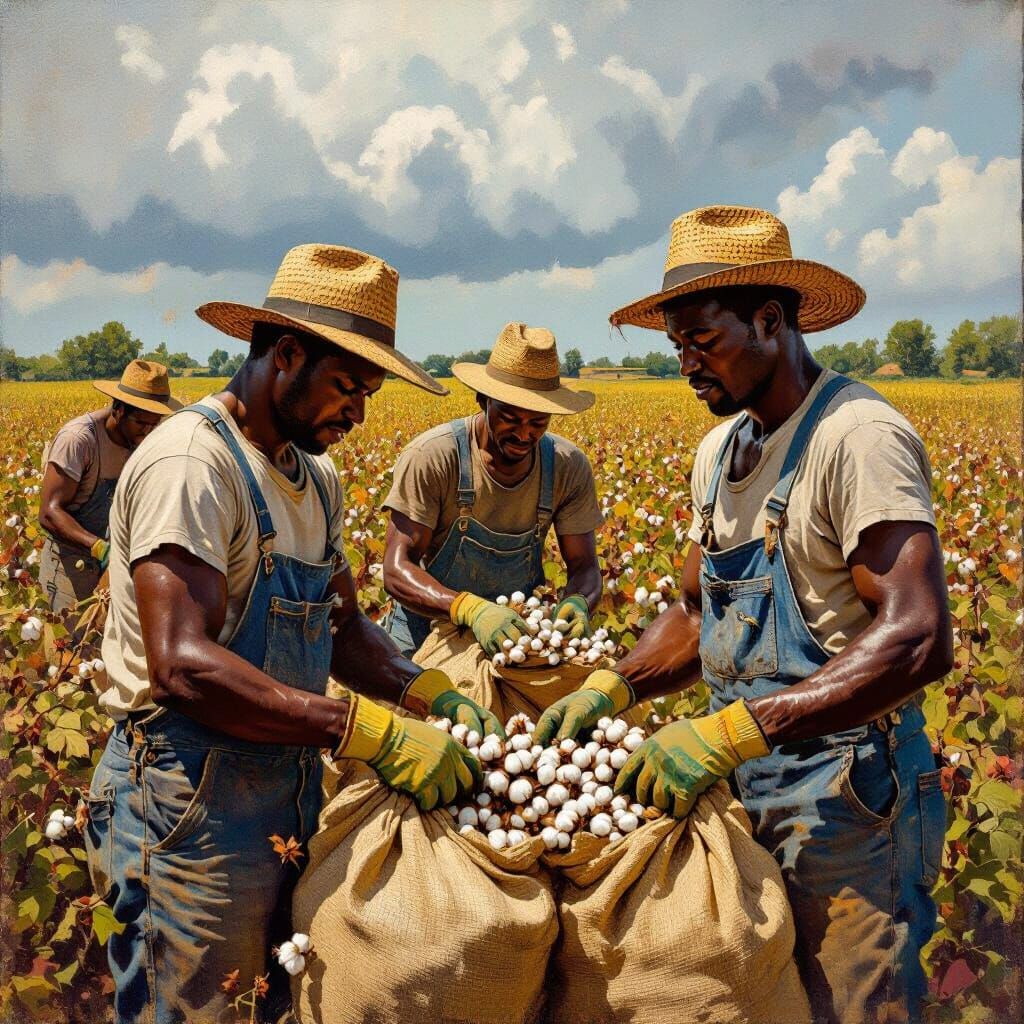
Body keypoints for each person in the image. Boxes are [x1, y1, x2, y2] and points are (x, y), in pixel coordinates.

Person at [536, 206, 951, 1024]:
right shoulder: (721, 452)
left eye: (702, 340)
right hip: (747, 780)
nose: (688, 364)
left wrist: (732, 731)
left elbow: (918, 636)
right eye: (676, 346)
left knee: (853, 1006)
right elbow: (696, 609)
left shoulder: (856, 437)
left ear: (770, 320)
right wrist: (610, 690)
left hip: (848, 796)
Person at [85, 245, 496, 1023]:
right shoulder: (192, 464)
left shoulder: (313, 476)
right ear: (287, 356)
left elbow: (341, 627)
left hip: (286, 785)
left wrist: (423, 689)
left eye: (370, 392)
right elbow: (182, 667)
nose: (359, 413)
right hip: (187, 801)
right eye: (349, 386)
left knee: (275, 1002)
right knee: (197, 1009)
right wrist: (363, 728)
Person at [382, 322, 603, 660]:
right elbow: (397, 570)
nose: (524, 434)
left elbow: (584, 565)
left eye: (538, 422)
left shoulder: (566, 466)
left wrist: (578, 601)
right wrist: (468, 609)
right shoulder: (434, 456)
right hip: (423, 635)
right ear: (483, 400)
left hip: (514, 640)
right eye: (510, 419)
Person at [38, 360, 180, 611]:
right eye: (140, 423)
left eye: (154, 423)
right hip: (70, 568)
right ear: (118, 409)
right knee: (69, 643)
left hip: (116, 569)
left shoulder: (144, 441)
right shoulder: (79, 440)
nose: (147, 431)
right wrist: (100, 549)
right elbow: (49, 512)